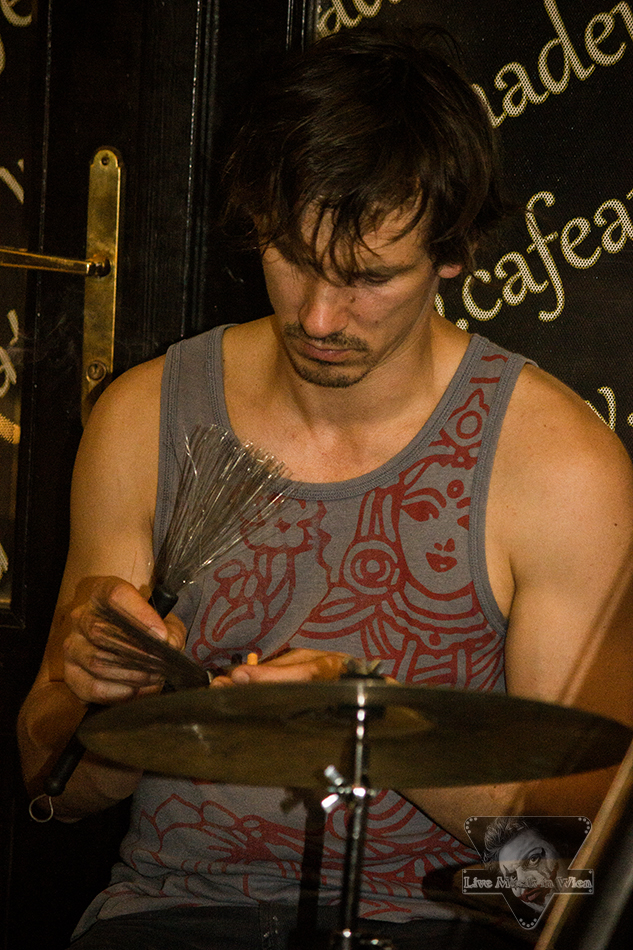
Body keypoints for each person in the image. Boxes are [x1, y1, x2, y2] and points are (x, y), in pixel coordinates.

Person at [17, 25, 633, 950]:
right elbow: (50, 792)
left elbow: (568, 874)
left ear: (453, 253)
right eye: (292, 257)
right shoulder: (144, 416)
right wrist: (109, 708)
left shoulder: (558, 466)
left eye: (368, 278)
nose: (316, 316)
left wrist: (364, 726)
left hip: (429, 928)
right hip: (172, 914)